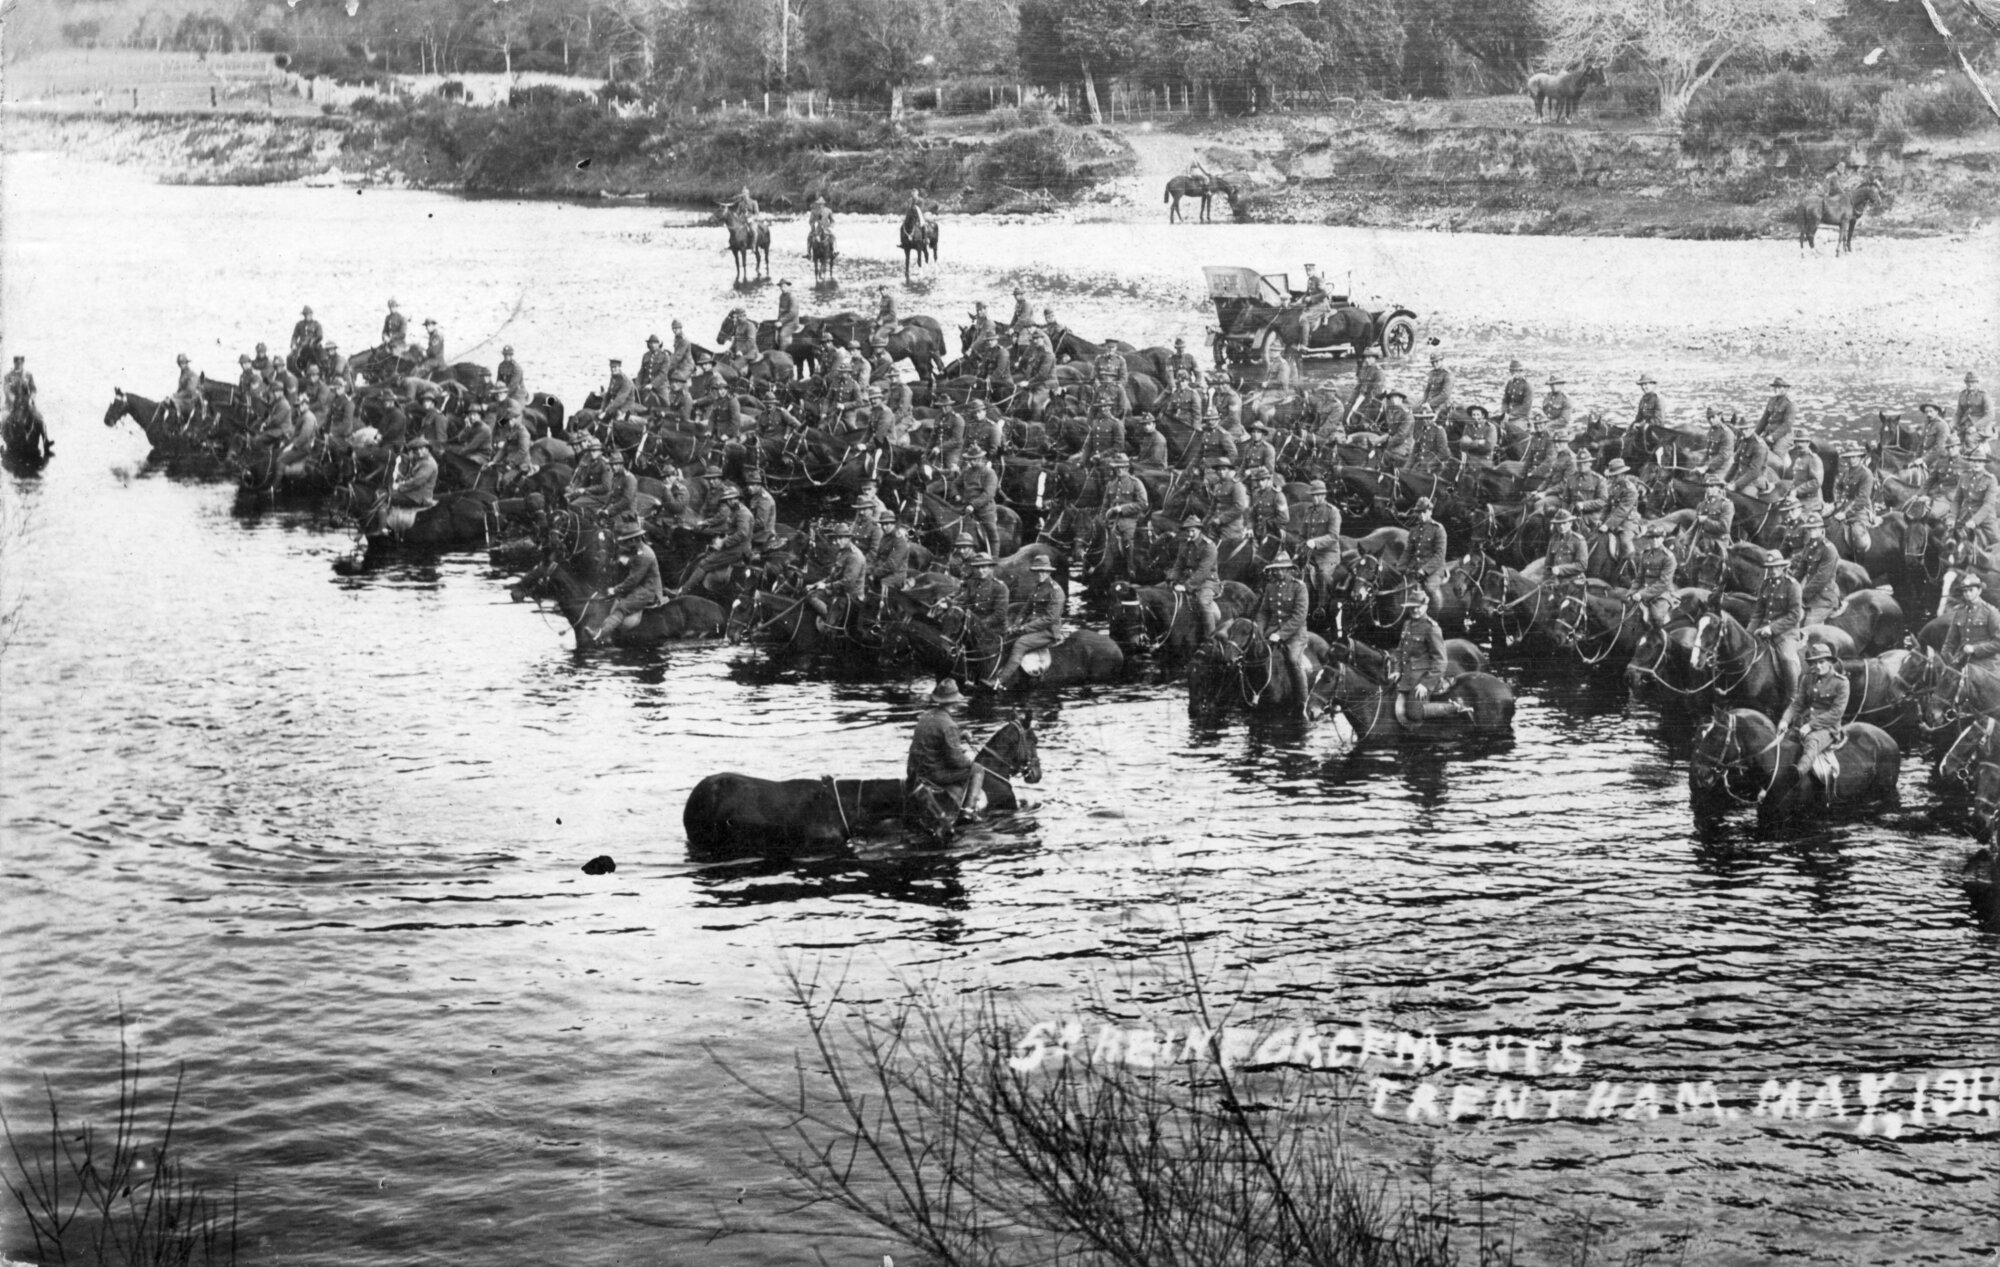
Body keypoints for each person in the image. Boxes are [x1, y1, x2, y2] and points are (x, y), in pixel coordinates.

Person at [1772, 640, 1849, 790]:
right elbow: (1798, 703)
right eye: (1814, 663)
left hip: (1827, 728)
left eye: (1821, 662)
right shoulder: (1808, 678)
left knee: (1812, 741)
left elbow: (1836, 713)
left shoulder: (1841, 683)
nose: (1818, 666)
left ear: (1830, 662)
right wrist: (1785, 720)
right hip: (1804, 723)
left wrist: (1810, 726)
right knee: (1784, 742)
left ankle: (1797, 774)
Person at [907, 679, 982, 816]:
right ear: (955, 702)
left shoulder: (926, 715)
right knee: (977, 769)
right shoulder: (949, 724)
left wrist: (960, 736)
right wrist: (970, 762)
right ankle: (968, 811)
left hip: (915, 770)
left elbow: (934, 739)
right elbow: (956, 761)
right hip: (933, 774)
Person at [1394, 592, 1469, 721]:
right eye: (1412, 607)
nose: (1415, 610)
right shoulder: (1407, 624)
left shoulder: (1432, 628)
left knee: (1414, 712)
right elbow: (1400, 651)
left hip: (1422, 679)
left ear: (1426, 606)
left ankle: (1455, 707)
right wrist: (1396, 670)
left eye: (1419, 607)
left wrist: (1426, 684)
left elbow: (1441, 661)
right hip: (1406, 677)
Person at [991, 556, 1065, 687]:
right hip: (1033, 627)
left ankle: (1001, 680)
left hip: (1048, 631)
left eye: (1043, 571)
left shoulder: (1056, 591)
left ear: (1049, 572)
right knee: (1006, 638)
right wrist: (1015, 625)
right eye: (1037, 571)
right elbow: (1026, 609)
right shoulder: (1037, 588)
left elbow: (1050, 619)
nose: (1040, 574)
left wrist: (1024, 628)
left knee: (1020, 644)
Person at [588, 517, 662, 642]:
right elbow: (628, 563)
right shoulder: (635, 550)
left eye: (627, 541)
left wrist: (615, 590)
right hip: (639, 586)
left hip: (647, 590)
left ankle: (600, 634)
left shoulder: (645, 555)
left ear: (634, 539)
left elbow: (632, 581)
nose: (625, 544)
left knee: (621, 607)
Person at [1259, 551, 1313, 717]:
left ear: (1290, 570)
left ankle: (1303, 702)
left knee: (1293, 660)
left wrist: (1281, 634)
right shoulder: (1270, 587)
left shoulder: (1299, 587)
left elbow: (1299, 616)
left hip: (1295, 634)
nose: (1279, 572)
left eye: (1283, 569)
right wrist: (1259, 631)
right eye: (1276, 569)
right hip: (1272, 631)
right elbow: (1264, 612)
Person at [1753, 547, 1805, 704]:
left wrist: (1772, 628)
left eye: (1776, 567)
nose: (1773, 570)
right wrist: (1749, 632)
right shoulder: (1765, 585)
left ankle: (1792, 697)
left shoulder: (1792, 586)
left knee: (1787, 658)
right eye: (1770, 568)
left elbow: (1794, 615)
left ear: (1783, 567)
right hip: (1763, 631)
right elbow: (1758, 612)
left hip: (1786, 634)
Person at [808, 522, 868, 634]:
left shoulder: (854, 556)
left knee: (829, 629)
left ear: (848, 538)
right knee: (811, 595)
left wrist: (825, 586)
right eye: (836, 538)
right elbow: (833, 576)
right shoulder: (842, 553)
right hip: (839, 591)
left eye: (840, 538)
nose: (837, 541)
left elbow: (848, 583)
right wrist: (816, 584)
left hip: (850, 597)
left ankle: (830, 622)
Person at [1170, 514, 1222, 641]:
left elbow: (1203, 571)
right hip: (1187, 579)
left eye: (1193, 531)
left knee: (1203, 602)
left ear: (1199, 530)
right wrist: (1172, 580)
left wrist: (1186, 586)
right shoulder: (1185, 544)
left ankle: (1211, 639)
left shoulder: (1209, 546)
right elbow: (1178, 565)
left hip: (1207, 581)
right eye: (1188, 531)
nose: (1190, 534)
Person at [1100, 453, 1150, 579]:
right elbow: (1105, 505)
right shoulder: (1111, 484)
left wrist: (1122, 509)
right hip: (1112, 520)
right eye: (1117, 467)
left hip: (1130, 519)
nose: (1119, 470)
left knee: (1127, 540)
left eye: (1122, 467)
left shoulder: (1135, 483)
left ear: (1127, 468)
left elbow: (1143, 503)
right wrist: (1101, 520)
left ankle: (1130, 568)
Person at [1792, 513, 1842, 625]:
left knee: (1807, 626)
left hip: (1824, 598)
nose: (1812, 531)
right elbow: (1800, 571)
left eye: (1815, 528)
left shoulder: (1829, 549)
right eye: (1810, 528)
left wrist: (1801, 594)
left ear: (1821, 529)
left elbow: (1821, 579)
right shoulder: (1809, 547)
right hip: (1811, 596)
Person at [1941, 574, 2000, 667]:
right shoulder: (1959, 613)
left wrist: (1974, 649)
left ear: (1979, 591)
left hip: (1986, 665)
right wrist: (1948, 661)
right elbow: (1950, 643)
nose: (1968, 594)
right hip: (1963, 662)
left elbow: (1998, 643)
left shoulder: (1990, 612)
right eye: (1965, 591)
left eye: (1971, 590)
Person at [1950, 452, 2000, 550]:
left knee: (1996, 543)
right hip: (1964, 516)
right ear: (1970, 462)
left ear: (1984, 463)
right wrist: (1952, 517)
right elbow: (1957, 500)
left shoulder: (1990, 479)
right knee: (1947, 539)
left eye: (1980, 461)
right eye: (1974, 461)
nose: (1976, 464)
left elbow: (1988, 505)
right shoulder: (1964, 476)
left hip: (1985, 519)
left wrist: (1974, 521)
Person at [1631, 524, 1677, 630]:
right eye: (1651, 538)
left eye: (1657, 537)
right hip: (1644, 589)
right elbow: (1639, 577)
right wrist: (1631, 591)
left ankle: (1661, 638)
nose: (1654, 540)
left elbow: (1663, 583)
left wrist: (1641, 594)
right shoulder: (1646, 554)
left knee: (1657, 616)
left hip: (1662, 593)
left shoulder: (1668, 557)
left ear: (1662, 538)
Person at [1408, 496, 1449, 611]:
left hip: (1434, 569)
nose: (1421, 515)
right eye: (1419, 512)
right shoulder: (1414, 529)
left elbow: (1440, 555)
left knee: (1429, 588)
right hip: (1416, 567)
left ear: (1430, 512)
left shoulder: (1438, 529)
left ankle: (1434, 615)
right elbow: (1408, 551)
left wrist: (1424, 570)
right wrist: (1401, 566)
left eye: (1424, 512)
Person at [958, 445, 1001, 552]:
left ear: (981, 459)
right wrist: (956, 495)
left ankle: (994, 556)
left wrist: (973, 505)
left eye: (974, 459)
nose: (971, 462)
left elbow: (989, 493)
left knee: (991, 532)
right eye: (969, 460)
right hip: (966, 507)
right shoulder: (966, 472)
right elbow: (955, 484)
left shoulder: (989, 473)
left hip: (984, 509)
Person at [1756, 376, 1796, 458]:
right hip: (1769, 432)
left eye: (1779, 387)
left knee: (1777, 451)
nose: (1776, 389)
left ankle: (1782, 466)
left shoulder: (1789, 403)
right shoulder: (1772, 400)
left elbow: (1787, 425)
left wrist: (1773, 436)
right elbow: (1764, 420)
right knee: (1756, 447)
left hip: (1784, 435)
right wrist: (1755, 434)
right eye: (1775, 387)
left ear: (1786, 389)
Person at [1958, 370, 1991, 455]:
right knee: (1953, 440)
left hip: (1981, 428)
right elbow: (1958, 413)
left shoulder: (1983, 395)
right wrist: (1951, 426)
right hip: (1965, 426)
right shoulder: (1962, 395)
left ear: (1977, 383)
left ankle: (1976, 458)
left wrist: (1975, 427)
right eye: (1968, 382)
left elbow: (1990, 415)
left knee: (1970, 439)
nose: (1970, 384)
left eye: (1972, 382)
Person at [1500, 358, 1534, 438]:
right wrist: (1504, 412)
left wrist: (1511, 414)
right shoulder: (1510, 383)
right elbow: (1505, 400)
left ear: (1522, 371)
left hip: (1521, 417)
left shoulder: (1527, 385)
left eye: (1518, 371)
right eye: (1513, 371)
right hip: (1509, 415)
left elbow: (1526, 406)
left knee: (1514, 431)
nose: (1516, 373)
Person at [1456, 404, 1498, 469]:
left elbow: (1489, 447)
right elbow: (1462, 445)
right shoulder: (1468, 427)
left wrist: (1470, 442)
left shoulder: (1490, 427)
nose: (1475, 417)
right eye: (1473, 415)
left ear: (1483, 415)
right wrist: (1479, 442)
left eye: (1478, 415)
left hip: (1484, 461)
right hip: (1469, 460)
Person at [1420, 352, 1454, 418]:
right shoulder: (1432, 373)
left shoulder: (1448, 374)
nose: (1434, 364)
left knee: (1434, 418)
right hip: (1430, 402)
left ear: (1441, 360)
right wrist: (1423, 402)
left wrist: (1430, 404)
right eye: (1432, 362)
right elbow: (1427, 390)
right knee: (1415, 410)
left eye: (1436, 361)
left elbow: (1445, 395)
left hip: (1442, 403)